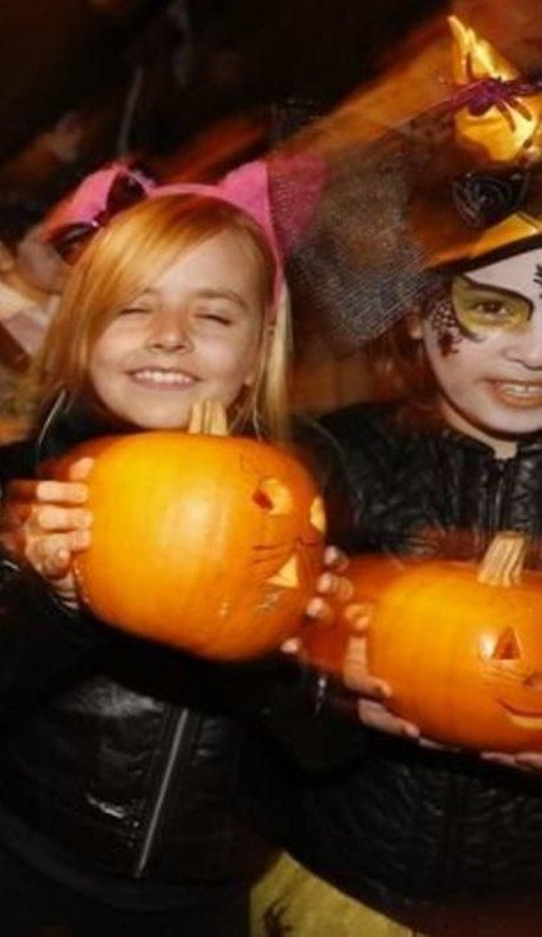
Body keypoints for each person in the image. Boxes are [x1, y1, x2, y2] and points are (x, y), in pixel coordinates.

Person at [0, 161, 346, 936]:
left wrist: (277, 641)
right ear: (81, 327)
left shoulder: (311, 495)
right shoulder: (32, 481)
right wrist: (51, 604)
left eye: (214, 316)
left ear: (261, 344)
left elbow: (331, 744)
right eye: (133, 308)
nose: (170, 336)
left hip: (201, 892)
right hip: (20, 860)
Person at [254, 16, 542, 935]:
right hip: (333, 887)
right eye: (494, 306)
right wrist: (323, 688)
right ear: (417, 315)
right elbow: (242, 690)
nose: (535, 351)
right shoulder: (332, 465)